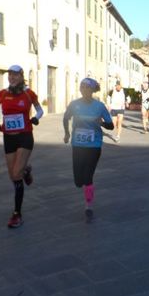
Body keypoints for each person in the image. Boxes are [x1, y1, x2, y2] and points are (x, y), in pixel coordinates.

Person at [0, 65, 43, 228]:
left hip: (25, 137)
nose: (12, 78)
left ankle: (17, 214)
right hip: (8, 138)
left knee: (16, 173)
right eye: (10, 75)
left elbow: (39, 110)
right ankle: (26, 170)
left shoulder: (29, 93)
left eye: (15, 75)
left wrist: (35, 119)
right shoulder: (2, 94)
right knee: (13, 175)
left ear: (21, 76)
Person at [63, 78, 114, 222]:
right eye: (82, 87)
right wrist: (67, 133)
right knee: (78, 181)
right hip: (78, 145)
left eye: (87, 88)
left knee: (88, 176)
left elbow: (111, 126)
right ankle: (85, 192)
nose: (84, 90)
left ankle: (89, 206)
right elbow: (65, 118)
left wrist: (102, 123)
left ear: (92, 90)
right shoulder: (74, 105)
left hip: (94, 146)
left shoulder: (99, 106)